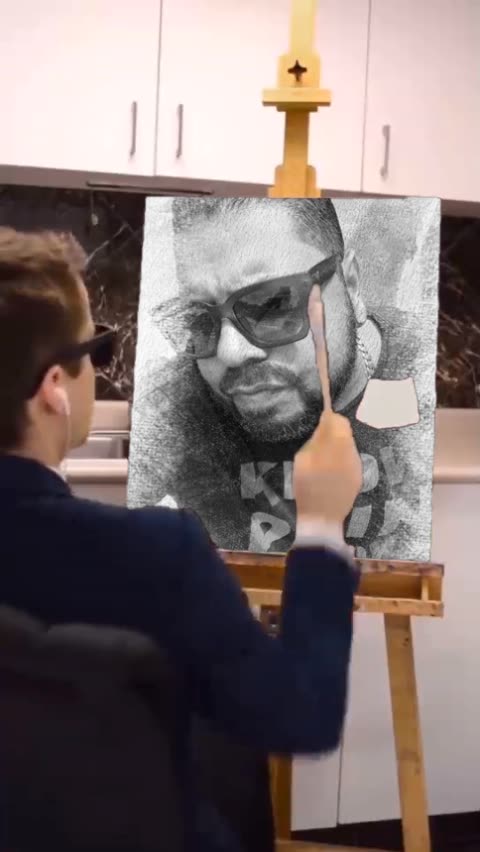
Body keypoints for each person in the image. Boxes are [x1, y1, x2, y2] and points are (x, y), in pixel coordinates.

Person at [0, 226, 361, 851]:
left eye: (270, 304)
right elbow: (302, 714)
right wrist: (323, 527)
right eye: (99, 349)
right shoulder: (157, 556)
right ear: (55, 387)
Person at [129, 197, 417, 560]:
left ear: (351, 285)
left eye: (273, 305)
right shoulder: (175, 406)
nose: (230, 352)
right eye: (199, 320)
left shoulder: (421, 375)